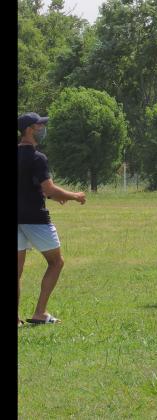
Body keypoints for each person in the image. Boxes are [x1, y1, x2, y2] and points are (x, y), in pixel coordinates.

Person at [18, 112, 86, 326]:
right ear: (30, 129)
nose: (43, 129)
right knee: (56, 262)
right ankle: (40, 313)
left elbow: (33, 187)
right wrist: (74, 196)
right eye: (40, 126)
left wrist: (55, 196)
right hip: (35, 218)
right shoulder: (38, 158)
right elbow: (48, 189)